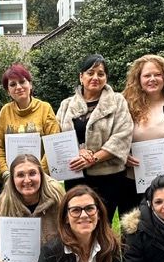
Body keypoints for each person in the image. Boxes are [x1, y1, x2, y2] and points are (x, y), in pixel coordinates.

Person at [56, 54, 132, 222]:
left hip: (108, 177)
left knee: (103, 223)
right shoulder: (66, 105)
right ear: (81, 77)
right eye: (90, 73)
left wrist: (93, 158)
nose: (95, 77)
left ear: (106, 78)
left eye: (101, 73)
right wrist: (78, 152)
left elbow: (122, 136)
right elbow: (57, 136)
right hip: (75, 175)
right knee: (77, 222)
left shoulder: (118, 101)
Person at [119, 54, 164, 215]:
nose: (152, 79)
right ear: (138, 79)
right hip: (132, 181)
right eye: (147, 75)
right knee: (134, 226)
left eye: (157, 74)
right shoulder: (125, 104)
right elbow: (115, 137)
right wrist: (123, 156)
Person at [0, 64, 60, 188]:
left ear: (30, 84)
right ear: (8, 91)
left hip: (40, 181)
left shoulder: (45, 108)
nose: (18, 87)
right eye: (13, 84)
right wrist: (6, 173)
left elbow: (53, 143)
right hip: (9, 182)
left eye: (22, 82)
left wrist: (37, 174)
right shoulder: (5, 112)